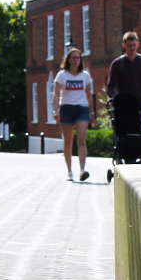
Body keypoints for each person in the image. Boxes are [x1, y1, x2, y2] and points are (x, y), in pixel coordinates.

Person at [53, 48, 95, 181]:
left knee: (81, 140)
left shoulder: (85, 76)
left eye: (78, 58)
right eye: (73, 58)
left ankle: (82, 170)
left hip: (81, 109)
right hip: (66, 109)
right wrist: (56, 110)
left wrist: (92, 114)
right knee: (68, 141)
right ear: (68, 60)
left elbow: (89, 95)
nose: (76, 60)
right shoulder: (62, 75)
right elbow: (56, 94)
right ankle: (69, 171)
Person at [106, 32, 141, 122]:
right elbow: (110, 86)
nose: (132, 48)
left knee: (139, 128)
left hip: (140, 103)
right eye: (129, 45)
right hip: (124, 105)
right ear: (124, 45)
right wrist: (114, 99)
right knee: (124, 129)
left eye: (134, 45)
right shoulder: (117, 64)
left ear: (138, 44)